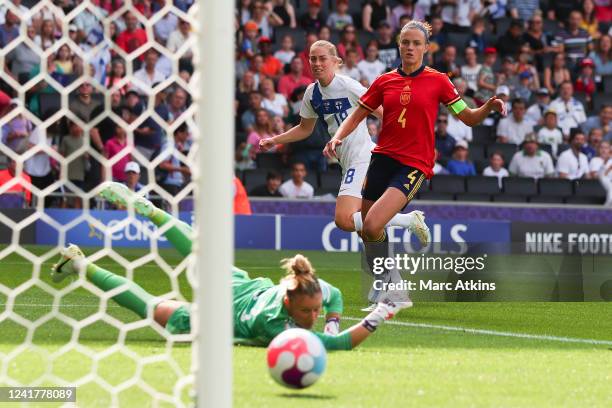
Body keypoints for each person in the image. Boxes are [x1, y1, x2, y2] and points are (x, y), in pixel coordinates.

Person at [49, 182, 410, 349]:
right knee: (147, 305)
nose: (312, 315)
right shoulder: (279, 330)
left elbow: (332, 301)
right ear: (288, 303)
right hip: (217, 321)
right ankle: (80, 266)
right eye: (307, 312)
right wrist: (382, 312)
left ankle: (154, 213)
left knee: (199, 253)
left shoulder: (309, 289)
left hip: (237, 287)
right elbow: (342, 345)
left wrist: (330, 318)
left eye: (314, 310)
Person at [324, 21, 505, 303]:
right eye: (405, 42)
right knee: (367, 230)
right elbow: (358, 115)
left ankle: (392, 286)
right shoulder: (384, 81)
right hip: (381, 159)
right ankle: (386, 280)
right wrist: (337, 137)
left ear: (425, 48)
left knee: (371, 225)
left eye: (416, 43)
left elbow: (467, 117)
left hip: (413, 165)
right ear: (399, 45)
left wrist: (488, 108)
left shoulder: (439, 81)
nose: (410, 47)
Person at [260, 40, 428, 239]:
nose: (317, 63)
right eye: (313, 59)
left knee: (344, 219)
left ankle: (408, 220)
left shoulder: (348, 86)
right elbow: (305, 129)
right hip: (347, 162)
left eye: (323, 58)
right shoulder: (311, 93)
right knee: (364, 230)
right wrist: (275, 140)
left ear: (335, 61)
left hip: (363, 157)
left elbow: (383, 113)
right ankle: (387, 270)